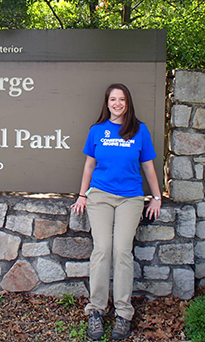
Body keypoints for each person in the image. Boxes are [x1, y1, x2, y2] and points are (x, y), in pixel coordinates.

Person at [71, 83, 162, 341]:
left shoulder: (139, 130)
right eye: (113, 99)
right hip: (99, 196)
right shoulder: (97, 131)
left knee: (122, 250)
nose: (117, 104)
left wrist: (156, 197)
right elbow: (89, 166)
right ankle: (97, 310)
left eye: (122, 99)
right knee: (101, 249)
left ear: (127, 102)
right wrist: (82, 195)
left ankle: (123, 313)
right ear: (107, 103)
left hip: (130, 198)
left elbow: (148, 168)